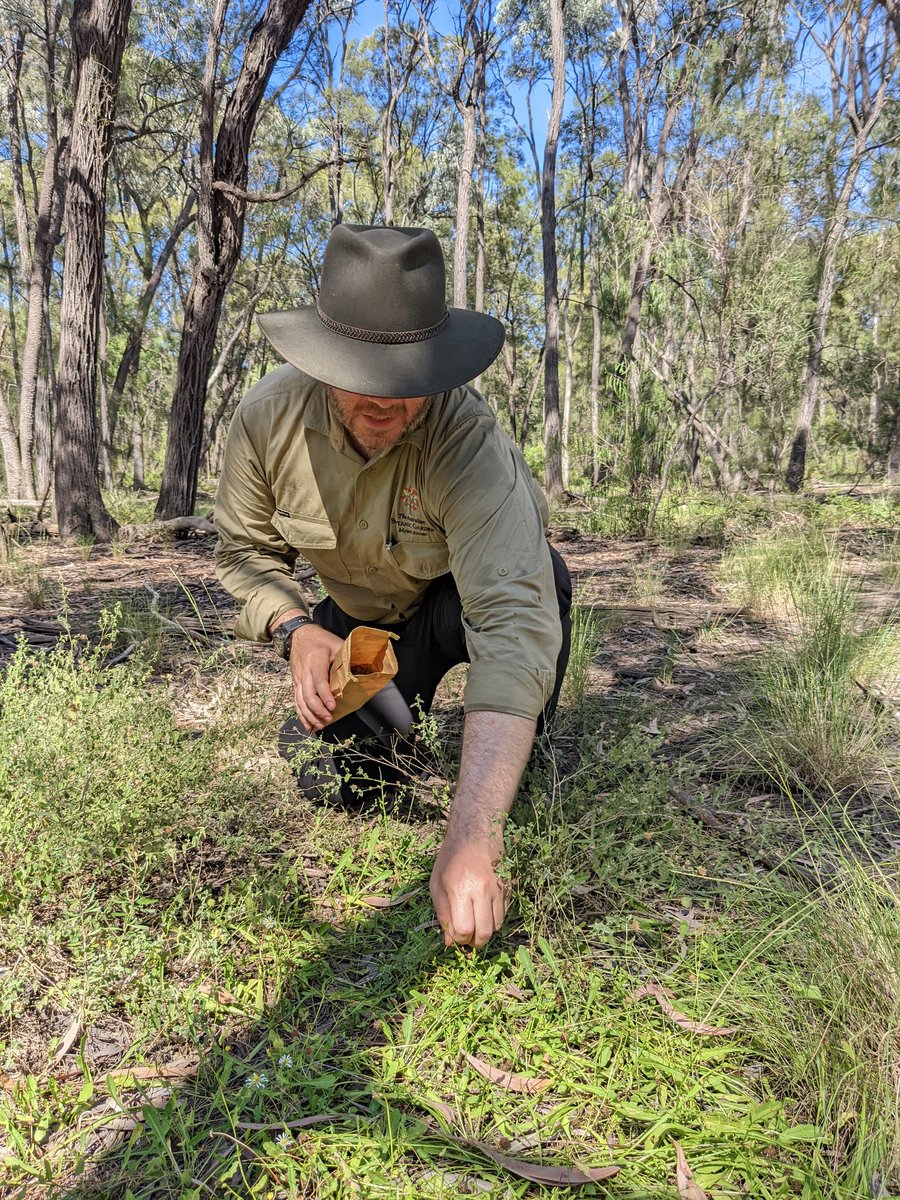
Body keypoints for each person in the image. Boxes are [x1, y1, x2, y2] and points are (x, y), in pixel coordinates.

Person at [214, 224, 571, 948]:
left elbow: (510, 612)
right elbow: (245, 553)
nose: (385, 402)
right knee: (338, 776)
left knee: (547, 581)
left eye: (406, 381)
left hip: (450, 609)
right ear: (321, 359)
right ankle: (407, 735)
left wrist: (474, 834)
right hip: (357, 627)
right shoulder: (265, 422)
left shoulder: (466, 439)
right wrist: (295, 629)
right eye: (361, 376)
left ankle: (519, 745)